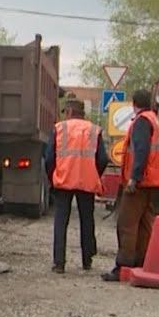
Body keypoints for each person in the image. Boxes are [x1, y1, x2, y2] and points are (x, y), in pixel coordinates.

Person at [103, 89, 159, 282]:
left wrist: (134, 178)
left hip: (140, 183)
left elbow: (141, 150)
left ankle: (123, 267)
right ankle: (141, 264)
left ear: (134, 104)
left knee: (127, 223)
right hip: (153, 183)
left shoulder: (141, 122)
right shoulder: (156, 121)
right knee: (145, 224)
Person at [45, 100, 109, 273]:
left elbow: (49, 157)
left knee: (61, 221)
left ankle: (59, 263)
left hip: (64, 180)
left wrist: (52, 177)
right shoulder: (94, 130)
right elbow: (103, 159)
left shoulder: (59, 128)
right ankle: (87, 260)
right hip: (87, 182)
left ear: (70, 111)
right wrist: (94, 173)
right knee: (87, 220)